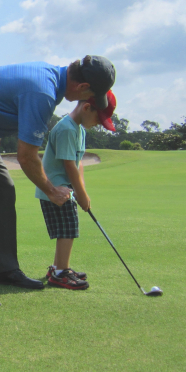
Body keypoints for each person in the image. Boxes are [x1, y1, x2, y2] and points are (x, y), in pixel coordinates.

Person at [0, 55, 116, 308]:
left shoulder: (52, 78)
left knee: (4, 190)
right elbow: (27, 157)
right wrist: (51, 190)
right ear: (83, 87)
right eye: (93, 94)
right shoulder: (44, 92)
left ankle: (4, 270)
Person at [39, 91, 116, 289]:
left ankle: (58, 268)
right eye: (98, 119)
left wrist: (82, 191)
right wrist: (80, 194)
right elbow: (68, 165)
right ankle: (60, 274)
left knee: (66, 229)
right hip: (56, 190)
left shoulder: (79, 129)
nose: (99, 124)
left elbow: (78, 162)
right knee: (68, 229)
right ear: (87, 107)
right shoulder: (66, 129)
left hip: (66, 189)